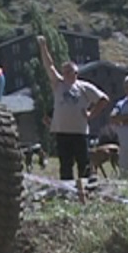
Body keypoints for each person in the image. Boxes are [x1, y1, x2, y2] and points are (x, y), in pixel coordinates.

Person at [37, 35, 109, 200]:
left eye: (71, 71)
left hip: (80, 132)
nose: (67, 73)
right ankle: (67, 193)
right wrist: (43, 46)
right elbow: (49, 65)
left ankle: (87, 192)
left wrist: (91, 114)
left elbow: (103, 99)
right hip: (62, 132)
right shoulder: (58, 84)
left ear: (76, 73)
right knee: (65, 164)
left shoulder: (84, 87)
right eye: (65, 71)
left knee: (83, 163)